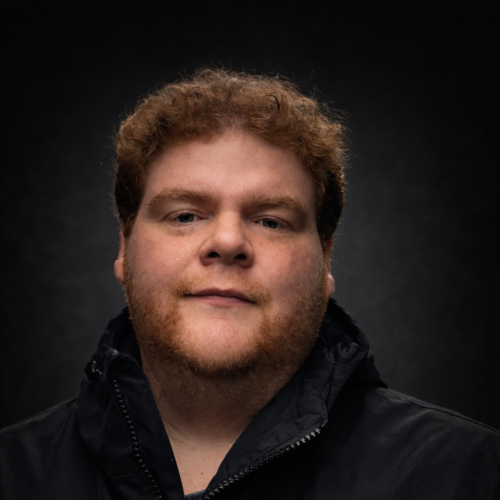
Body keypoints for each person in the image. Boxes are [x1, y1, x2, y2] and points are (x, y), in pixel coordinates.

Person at [1, 69, 498, 500]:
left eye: (271, 221)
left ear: (326, 258)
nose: (227, 241)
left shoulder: (470, 475)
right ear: (125, 247)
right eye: (185, 215)